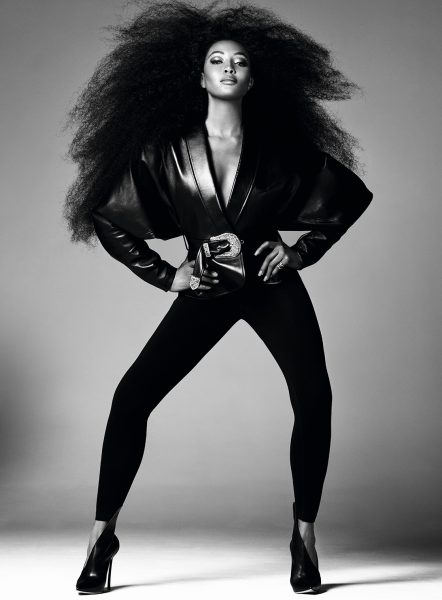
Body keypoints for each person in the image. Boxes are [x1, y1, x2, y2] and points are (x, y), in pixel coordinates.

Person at [63, 1, 373, 594]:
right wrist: (167, 276)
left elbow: (348, 198)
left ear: (253, 79)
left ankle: (304, 538)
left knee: (314, 398)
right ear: (199, 76)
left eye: (240, 61)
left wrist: (300, 252)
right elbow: (109, 218)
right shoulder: (163, 150)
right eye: (216, 60)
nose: (228, 67)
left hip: (271, 287)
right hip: (206, 289)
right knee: (131, 399)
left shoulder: (280, 146)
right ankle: (101, 539)